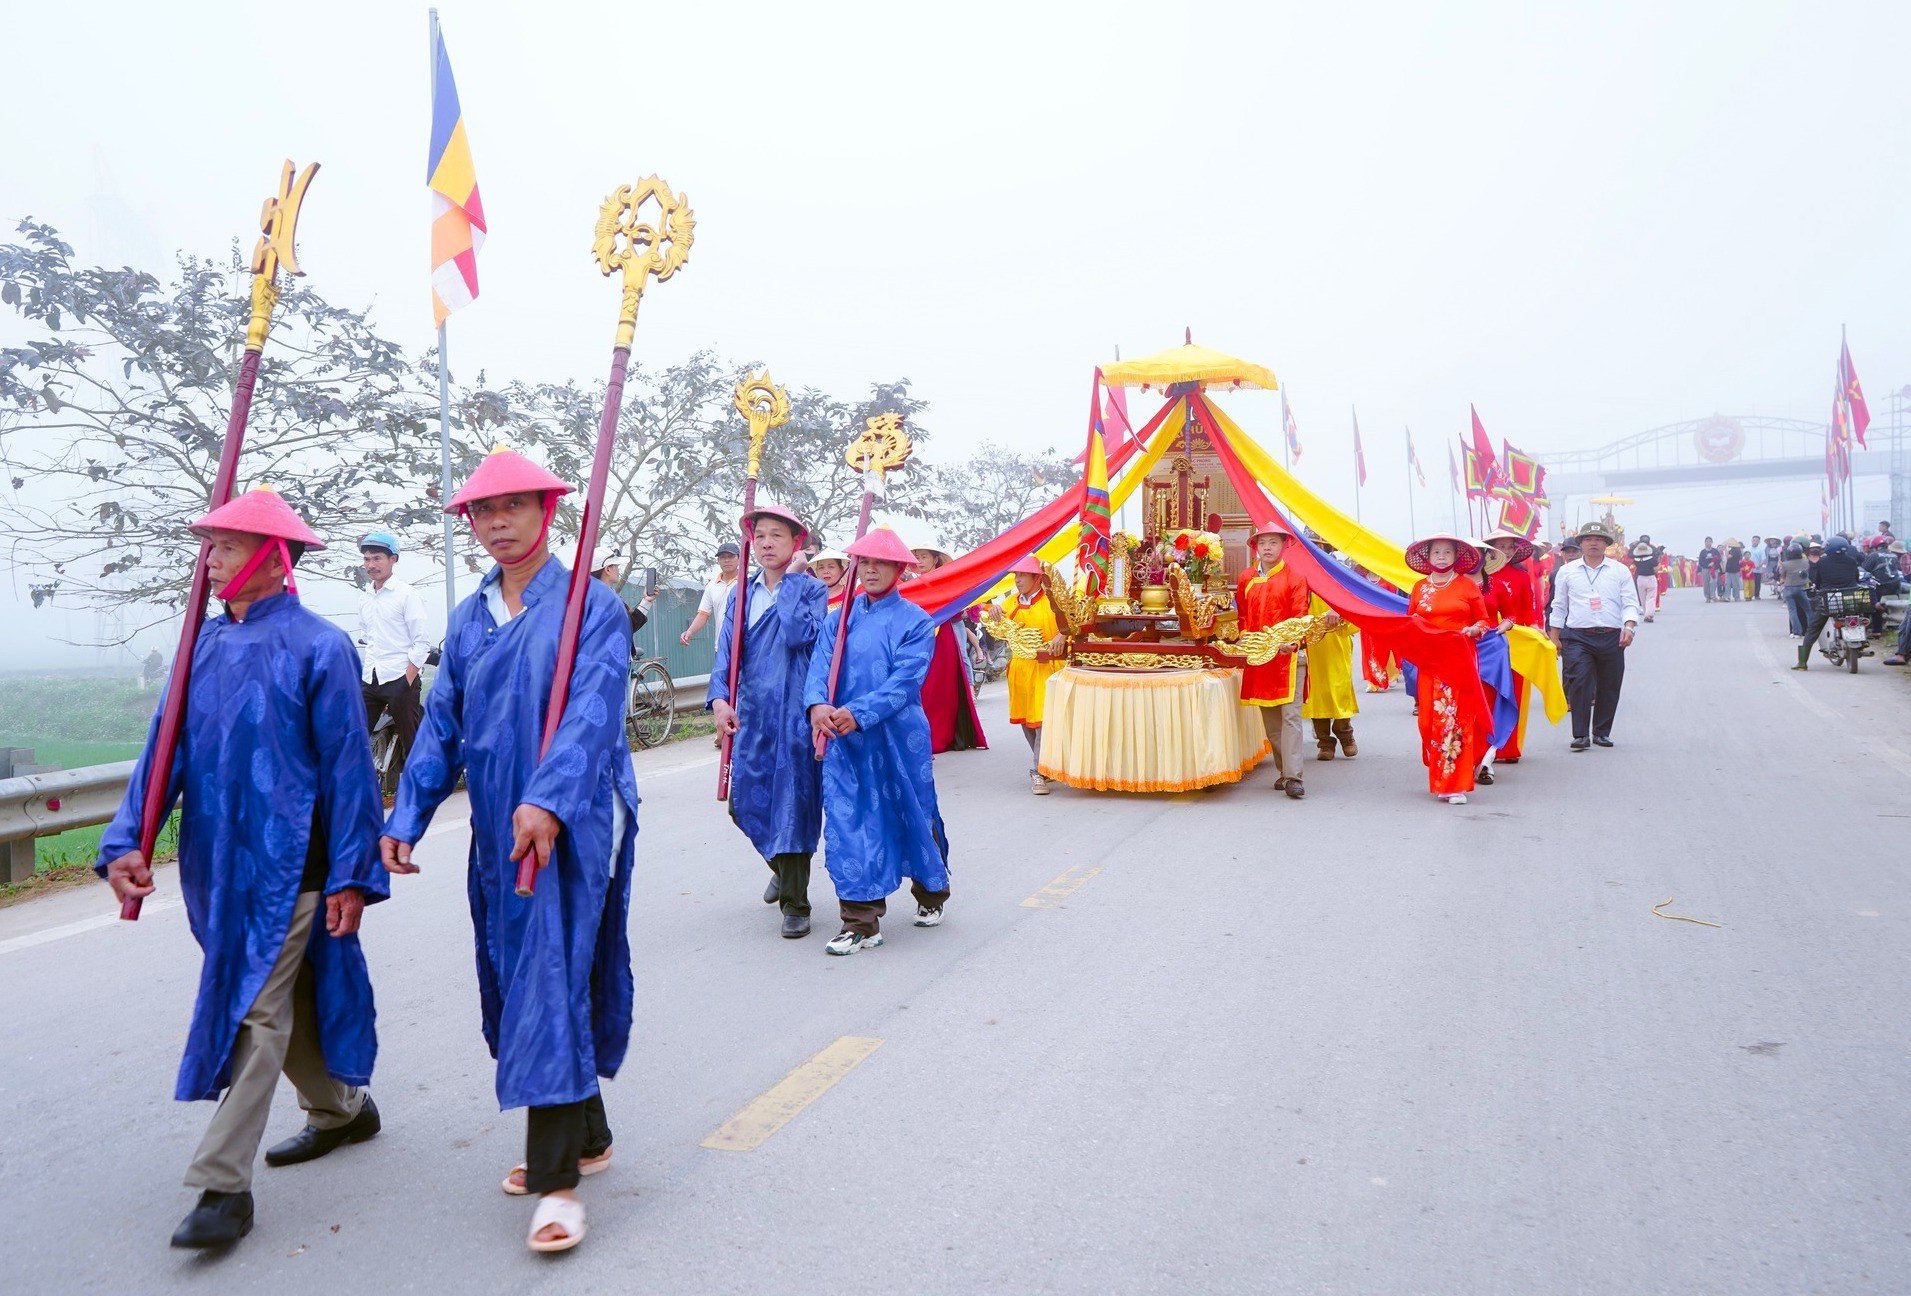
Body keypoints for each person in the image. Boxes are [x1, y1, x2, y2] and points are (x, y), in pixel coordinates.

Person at [97, 488, 387, 1250]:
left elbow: (350, 769)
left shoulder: (321, 645)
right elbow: (166, 755)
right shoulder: (203, 646)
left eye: (226, 546)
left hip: (296, 863)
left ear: (268, 557)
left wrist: (353, 871)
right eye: (210, 546)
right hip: (217, 865)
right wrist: (129, 839)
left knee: (254, 1008)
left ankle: (223, 1189)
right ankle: (341, 1110)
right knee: (275, 998)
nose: (211, 559)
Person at [381, 447, 637, 1253]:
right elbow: (443, 726)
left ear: (547, 513)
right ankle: (586, 1135)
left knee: (547, 975)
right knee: (519, 970)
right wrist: (406, 815)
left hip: (571, 816)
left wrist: (549, 796)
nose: (496, 523)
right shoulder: (467, 620)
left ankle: (557, 1178)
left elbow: (594, 711)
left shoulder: (588, 606)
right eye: (482, 513)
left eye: (513, 508)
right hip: (498, 824)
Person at [804, 525, 951, 955]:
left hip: (898, 737)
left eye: (880, 563)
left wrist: (860, 712)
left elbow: (905, 681)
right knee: (851, 823)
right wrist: (817, 706)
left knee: (912, 813)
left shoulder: (917, 622)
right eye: (864, 562)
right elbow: (819, 667)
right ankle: (861, 921)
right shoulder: (839, 619)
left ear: (900, 569)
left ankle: (931, 892)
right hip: (843, 739)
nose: (870, 570)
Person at [707, 503, 829, 939]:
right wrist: (719, 699)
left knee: (792, 804)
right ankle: (779, 863)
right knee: (744, 804)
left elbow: (797, 635)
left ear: (796, 543)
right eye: (759, 536)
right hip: (753, 712)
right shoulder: (740, 591)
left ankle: (796, 903)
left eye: (777, 535)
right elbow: (727, 651)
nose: (766, 543)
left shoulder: (812, 590)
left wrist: (794, 580)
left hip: (797, 711)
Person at [1404, 533, 1492, 805]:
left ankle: (1454, 784)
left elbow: (1484, 621)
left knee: (1455, 720)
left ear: (1456, 557)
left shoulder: (1467, 586)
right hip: (1430, 661)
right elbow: (1409, 620)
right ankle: (1441, 771)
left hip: (1459, 659)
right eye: (1436, 552)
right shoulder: (1419, 587)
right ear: (1428, 558)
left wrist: (1473, 629)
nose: (1441, 556)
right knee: (1429, 721)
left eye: (1446, 552)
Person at [1237, 522, 1318, 800]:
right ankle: (1284, 771)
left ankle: (1294, 777)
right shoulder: (1246, 578)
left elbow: (1300, 614)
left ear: (1283, 546)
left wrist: (1291, 641)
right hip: (1261, 658)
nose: (1268, 548)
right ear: (1256, 547)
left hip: (1290, 657)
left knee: (1291, 717)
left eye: (1273, 543)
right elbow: (1243, 616)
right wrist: (1246, 639)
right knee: (1271, 722)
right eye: (1263, 543)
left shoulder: (1296, 578)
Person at [1548, 521, 1641, 750]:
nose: (1593, 543)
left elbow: (1630, 602)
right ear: (1581, 544)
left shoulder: (1619, 571)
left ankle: (1601, 732)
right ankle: (1580, 735)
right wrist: (1554, 636)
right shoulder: (1566, 572)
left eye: (1599, 539)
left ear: (1606, 544)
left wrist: (1628, 627)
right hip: (1577, 637)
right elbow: (1558, 605)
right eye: (1588, 539)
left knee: (1610, 684)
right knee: (1579, 682)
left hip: (1611, 636)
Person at [356, 531, 433, 784]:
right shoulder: (366, 597)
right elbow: (368, 636)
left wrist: (407, 679)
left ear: (393, 559)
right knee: (353, 734)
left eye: (377, 558)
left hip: (400, 677)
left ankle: (419, 792)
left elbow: (421, 642)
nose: (371, 565)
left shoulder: (406, 595)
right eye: (367, 559)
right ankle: (356, 788)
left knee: (412, 741)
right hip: (372, 678)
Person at [910, 537, 988, 754]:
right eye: (915, 557)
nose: (919, 561)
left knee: (943, 685)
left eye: (923, 556)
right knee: (923, 686)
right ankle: (923, 735)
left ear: (936, 559)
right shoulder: (909, 586)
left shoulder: (948, 580)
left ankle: (945, 735)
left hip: (944, 636)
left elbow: (960, 608)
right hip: (918, 640)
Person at [997, 554, 1067, 793]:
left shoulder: (1053, 600)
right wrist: (993, 612)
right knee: (1027, 721)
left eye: (1022, 575)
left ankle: (1038, 770)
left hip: (1046, 666)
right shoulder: (1012, 603)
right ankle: (1045, 765)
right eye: (1016, 575)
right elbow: (995, 621)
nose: (1017, 580)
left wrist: (1064, 634)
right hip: (1020, 668)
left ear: (1037, 578)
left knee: (1041, 720)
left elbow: (1074, 622)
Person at [1483, 528, 1542, 764]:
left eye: (1510, 547)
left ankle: (1509, 748)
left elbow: (1529, 608)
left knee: (1514, 693)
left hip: (1515, 641)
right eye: (1501, 547)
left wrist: (1536, 627)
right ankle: (1485, 744)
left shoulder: (1520, 575)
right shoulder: (1480, 576)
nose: (1506, 552)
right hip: (1486, 643)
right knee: (1488, 693)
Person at [1301, 591, 1359, 761]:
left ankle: (1345, 734)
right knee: (1316, 691)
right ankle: (1325, 742)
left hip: (1335, 636)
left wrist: (1337, 608)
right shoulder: (1300, 574)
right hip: (1309, 638)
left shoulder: (1332, 571)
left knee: (1339, 686)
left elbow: (1350, 594)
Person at [1793, 535, 1863, 671]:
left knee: (1813, 629)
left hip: (1829, 600)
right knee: (1859, 619)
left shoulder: (1822, 562)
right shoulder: (1852, 561)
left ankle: (1802, 663)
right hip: (1849, 599)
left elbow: (1817, 581)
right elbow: (1856, 578)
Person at [681, 541, 742, 646]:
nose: (727, 560)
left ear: (739, 558)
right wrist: (689, 632)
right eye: (722, 557)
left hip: (747, 646)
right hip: (721, 645)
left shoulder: (749, 582)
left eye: (731, 556)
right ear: (718, 561)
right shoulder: (711, 585)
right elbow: (703, 614)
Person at [590, 559, 656, 633]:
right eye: (616, 566)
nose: (619, 570)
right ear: (608, 569)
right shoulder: (604, 600)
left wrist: (647, 600)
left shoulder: (594, 597)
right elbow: (625, 629)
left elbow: (628, 626)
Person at [1779, 541, 1812, 637]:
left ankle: (1797, 632)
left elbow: (1782, 576)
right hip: (1802, 588)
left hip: (1789, 589)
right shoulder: (1806, 561)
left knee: (1792, 611)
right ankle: (1811, 630)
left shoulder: (1785, 564)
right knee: (1808, 610)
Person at [1628, 534, 1661, 622]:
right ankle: (1649, 615)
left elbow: (1630, 554)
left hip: (1640, 579)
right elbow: (1657, 554)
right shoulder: (1652, 559)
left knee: (1642, 597)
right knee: (1651, 597)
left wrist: (1635, 545)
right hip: (1650, 578)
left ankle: (1646, 612)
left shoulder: (1636, 560)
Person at [1696, 536, 1721, 602]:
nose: (1708, 543)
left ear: (1712, 542)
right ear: (1705, 543)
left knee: (1713, 582)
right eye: (1707, 541)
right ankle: (1707, 597)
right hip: (1705, 569)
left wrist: (1714, 564)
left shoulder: (1715, 551)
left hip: (1714, 569)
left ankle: (1713, 596)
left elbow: (1719, 559)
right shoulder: (1702, 552)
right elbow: (1700, 562)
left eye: (1710, 541)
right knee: (1706, 583)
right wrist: (1699, 570)